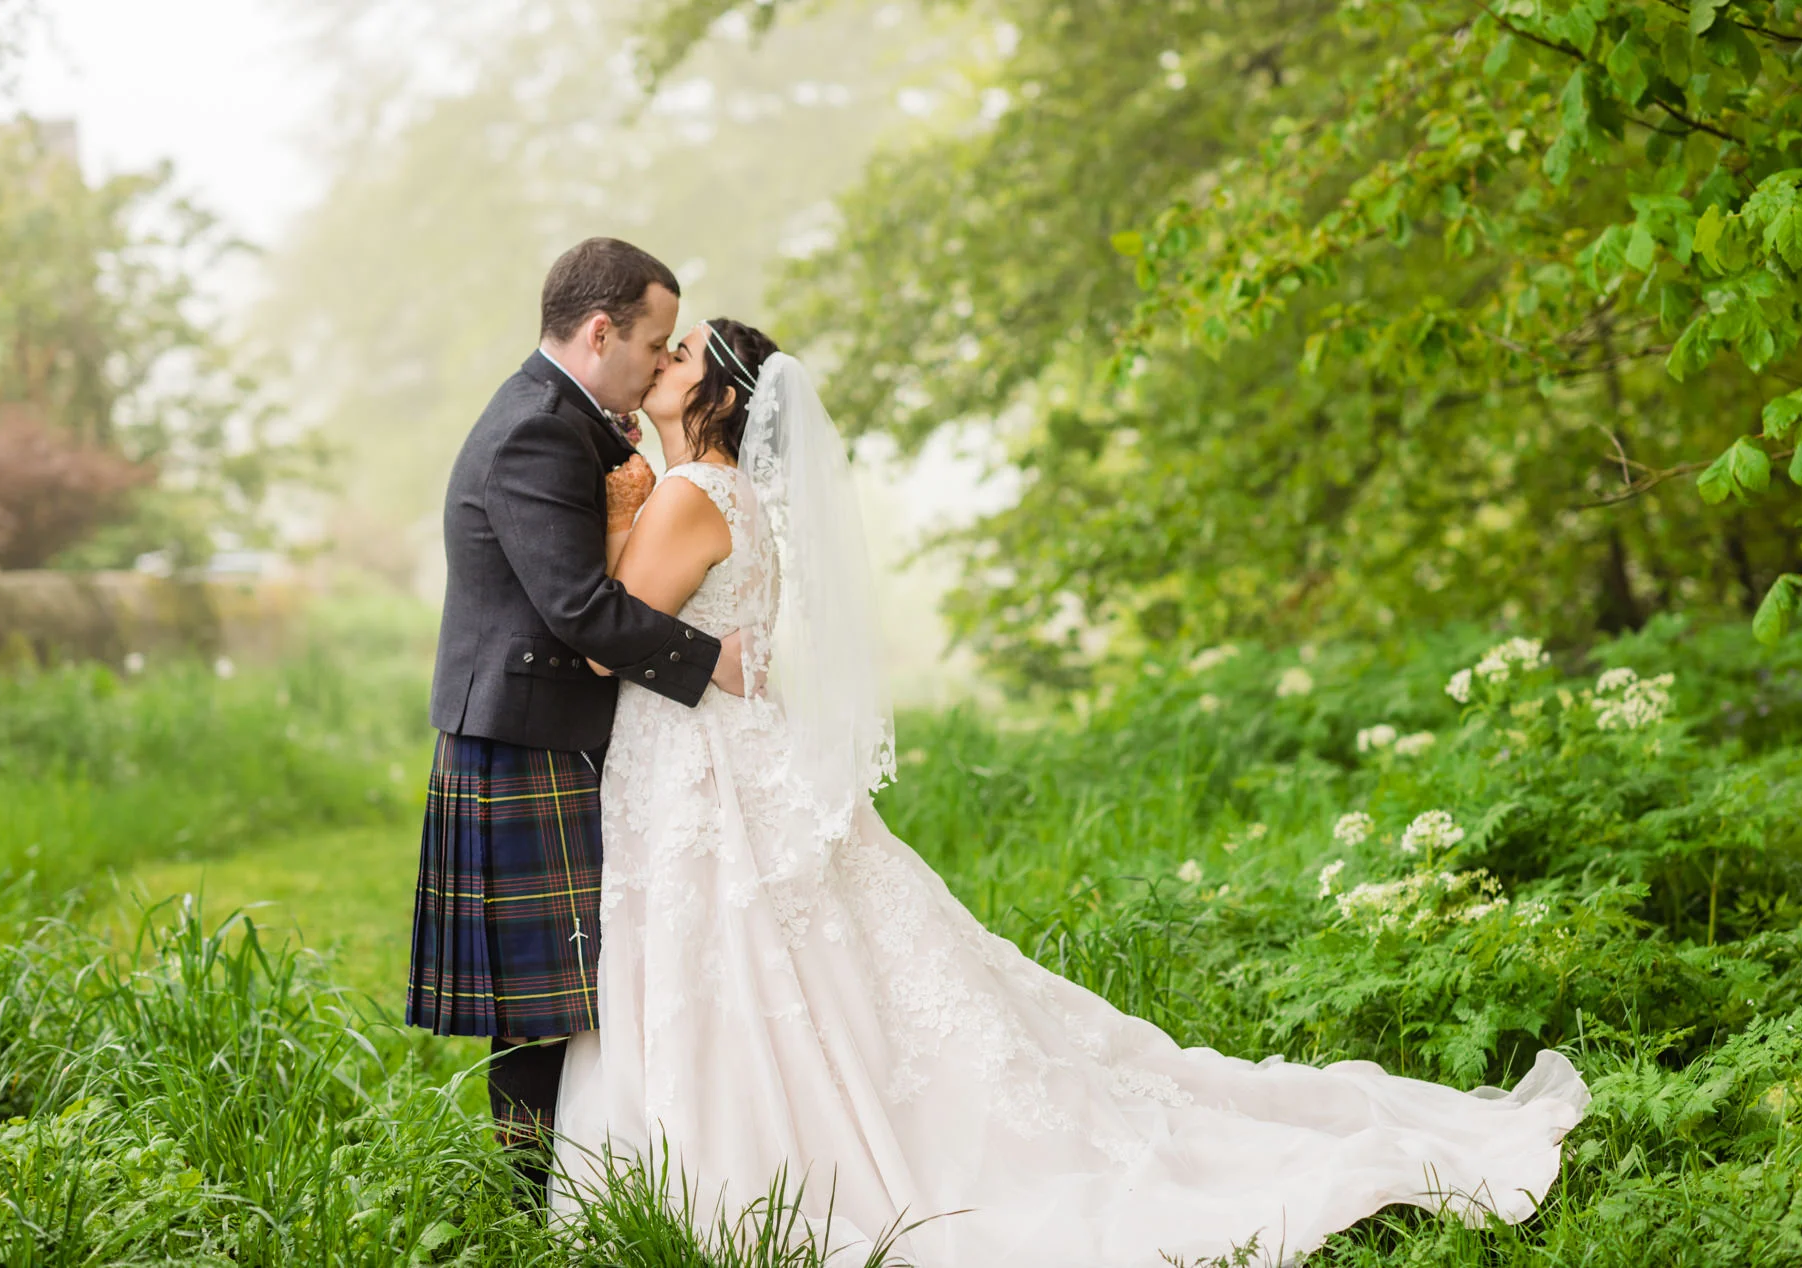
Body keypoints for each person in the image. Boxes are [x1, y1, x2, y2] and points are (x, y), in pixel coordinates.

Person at [546, 317, 1591, 1266]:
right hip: (720, 756)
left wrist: (614, 511)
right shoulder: (739, 503)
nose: (662, 358)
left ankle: (732, 1165)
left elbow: (603, 639)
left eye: (681, 354)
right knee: (806, 965)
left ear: (721, 397)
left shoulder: (690, 493)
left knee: (750, 957)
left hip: (706, 770)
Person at [405, 239, 747, 1201]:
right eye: (655, 341)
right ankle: (527, 1201)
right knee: (541, 1002)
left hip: (550, 728)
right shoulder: (537, 429)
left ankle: (577, 1183)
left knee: (574, 986)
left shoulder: (569, 419)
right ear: (602, 332)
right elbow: (577, 608)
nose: (660, 362)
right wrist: (710, 661)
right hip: (521, 737)